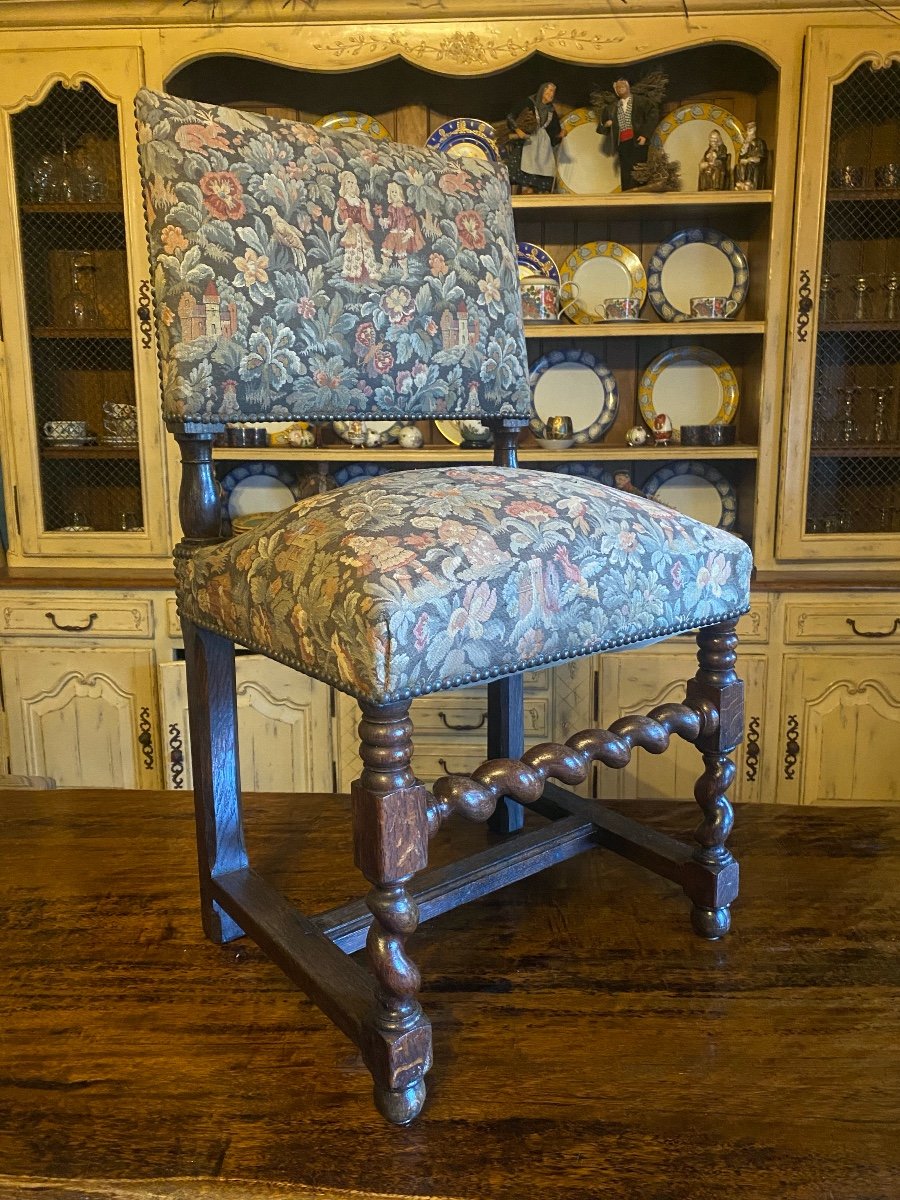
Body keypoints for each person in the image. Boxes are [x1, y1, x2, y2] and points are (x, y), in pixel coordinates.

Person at [503, 82, 564, 195]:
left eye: (553, 92)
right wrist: (518, 130)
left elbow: (554, 131)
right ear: (542, 90)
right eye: (549, 91)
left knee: (538, 178)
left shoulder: (550, 111)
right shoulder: (528, 103)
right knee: (521, 175)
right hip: (526, 143)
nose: (551, 94)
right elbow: (511, 116)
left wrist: (559, 135)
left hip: (542, 149)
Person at [597, 77, 657, 191]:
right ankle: (627, 195)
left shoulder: (641, 101)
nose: (620, 89)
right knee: (626, 172)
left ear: (628, 86)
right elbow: (601, 126)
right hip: (622, 142)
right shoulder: (612, 108)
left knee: (640, 170)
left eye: (622, 86)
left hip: (637, 140)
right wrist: (607, 124)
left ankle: (641, 196)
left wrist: (645, 134)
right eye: (618, 87)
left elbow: (653, 115)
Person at [335, 170, 380, 284]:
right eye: (348, 182)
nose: (351, 185)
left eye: (353, 182)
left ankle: (369, 274)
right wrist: (351, 224)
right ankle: (352, 276)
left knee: (367, 251)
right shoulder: (343, 200)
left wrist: (367, 209)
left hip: (361, 230)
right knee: (352, 251)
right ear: (344, 185)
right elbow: (344, 216)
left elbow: (367, 221)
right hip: (352, 230)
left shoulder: (359, 201)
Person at [380, 180, 425, 277]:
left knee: (401, 253)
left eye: (396, 192)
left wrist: (409, 233)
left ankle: (405, 272)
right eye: (392, 192)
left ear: (400, 193)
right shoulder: (391, 208)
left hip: (402, 233)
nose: (394, 194)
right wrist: (386, 222)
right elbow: (391, 221)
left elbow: (411, 221)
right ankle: (385, 268)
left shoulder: (405, 209)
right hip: (393, 233)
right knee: (387, 248)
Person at [734, 122, 767, 190]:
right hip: (747, 162)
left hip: (755, 163)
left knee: (750, 165)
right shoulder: (746, 143)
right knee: (738, 166)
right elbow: (741, 156)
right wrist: (744, 149)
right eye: (748, 128)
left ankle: (749, 182)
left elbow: (761, 157)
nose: (748, 130)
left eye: (751, 128)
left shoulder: (759, 142)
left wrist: (750, 159)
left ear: (755, 129)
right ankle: (741, 182)